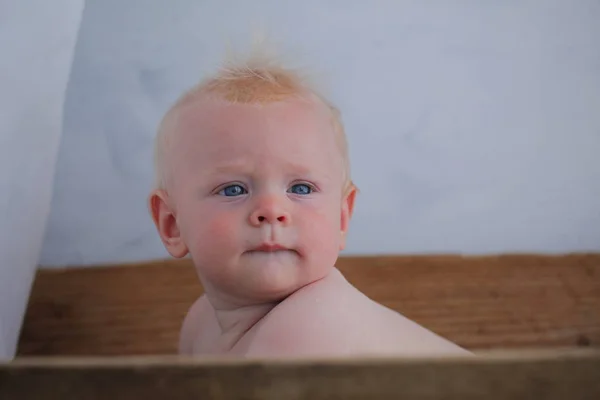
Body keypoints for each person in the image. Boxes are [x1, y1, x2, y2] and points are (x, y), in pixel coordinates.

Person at [148, 43, 471, 358]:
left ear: (342, 218)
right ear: (172, 224)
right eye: (233, 189)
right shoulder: (199, 325)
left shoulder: (307, 328)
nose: (272, 211)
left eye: (301, 189)